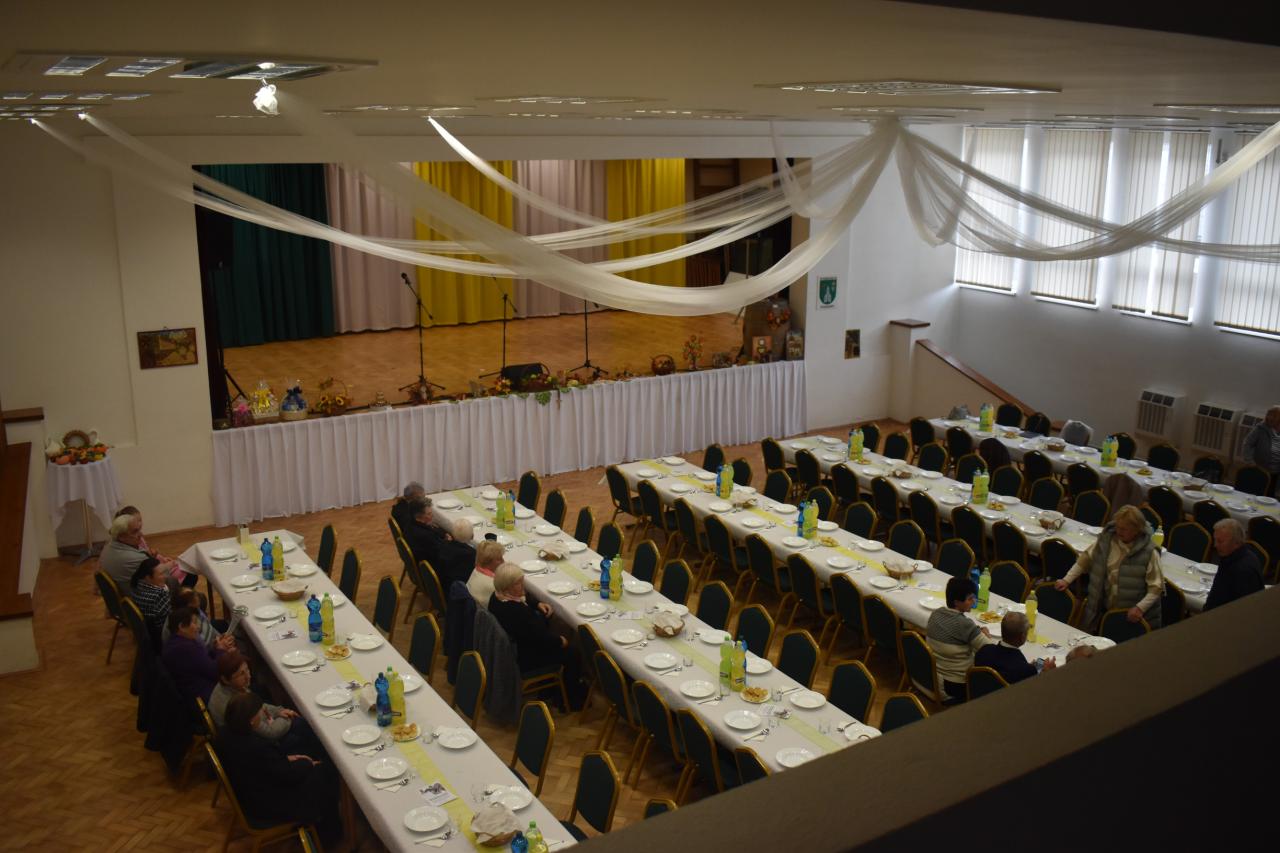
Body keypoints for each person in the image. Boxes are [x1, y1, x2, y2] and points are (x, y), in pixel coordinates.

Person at [215, 693, 341, 842]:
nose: (262, 715)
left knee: (308, 758)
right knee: (325, 771)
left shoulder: (223, 734)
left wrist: (287, 759)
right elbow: (285, 774)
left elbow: (267, 766)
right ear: (252, 720)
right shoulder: (256, 747)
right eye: (259, 713)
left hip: (248, 792)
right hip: (268, 804)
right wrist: (308, 764)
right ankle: (328, 834)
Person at [1055, 504, 1163, 631]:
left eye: (1124, 529)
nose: (1119, 531)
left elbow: (1156, 587)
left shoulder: (1149, 552)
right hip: (1104, 609)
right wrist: (1066, 580)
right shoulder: (1106, 540)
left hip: (1132, 616)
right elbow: (1085, 559)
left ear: (1136, 530)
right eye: (1117, 527)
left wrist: (1140, 608)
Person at [488, 563, 584, 703]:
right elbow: (540, 639)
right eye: (518, 583)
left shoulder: (496, 597)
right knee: (573, 653)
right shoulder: (518, 613)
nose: (523, 586)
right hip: (526, 657)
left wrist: (537, 604)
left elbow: (524, 599)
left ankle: (550, 688)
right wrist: (560, 641)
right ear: (507, 587)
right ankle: (569, 699)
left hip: (520, 645)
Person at [208, 652, 318, 753]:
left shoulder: (229, 686)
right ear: (225, 679)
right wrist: (287, 717)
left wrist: (278, 711)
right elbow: (271, 733)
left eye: (247, 670)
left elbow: (259, 706)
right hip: (260, 748)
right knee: (302, 726)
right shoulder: (236, 706)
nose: (248, 676)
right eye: (241, 674)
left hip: (260, 730)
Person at [926, 576, 994, 702]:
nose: (974, 601)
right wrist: (987, 635)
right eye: (970, 599)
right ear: (957, 602)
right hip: (956, 684)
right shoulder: (964, 624)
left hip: (933, 676)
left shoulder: (936, 613)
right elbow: (990, 650)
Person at [161, 605, 231, 702]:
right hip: (205, 696)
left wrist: (216, 649)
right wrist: (220, 650)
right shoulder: (187, 648)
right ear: (182, 627)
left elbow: (204, 660)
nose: (198, 627)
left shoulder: (176, 642)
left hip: (195, 688)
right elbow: (215, 672)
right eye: (194, 622)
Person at [406, 496, 475, 587]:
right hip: (441, 576)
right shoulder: (424, 536)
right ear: (418, 517)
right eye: (429, 514)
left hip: (431, 561)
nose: (432, 516)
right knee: (471, 556)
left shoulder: (411, 525)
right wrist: (451, 543)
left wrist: (445, 539)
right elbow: (445, 554)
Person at [974, 611, 1056, 685]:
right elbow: (1034, 692)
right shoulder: (1025, 670)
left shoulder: (983, 651)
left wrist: (1026, 667)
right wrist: (1047, 673)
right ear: (1022, 637)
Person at [1204, 518, 1265, 611]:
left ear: (1236, 542)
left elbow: (1242, 608)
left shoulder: (1243, 570)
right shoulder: (1232, 556)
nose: (1215, 545)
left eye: (1220, 541)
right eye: (1215, 540)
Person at [129, 557, 171, 648]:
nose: (165, 576)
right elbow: (171, 614)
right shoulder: (159, 594)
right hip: (162, 632)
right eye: (161, 574)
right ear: (148, 577)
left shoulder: (136, 583)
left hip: (149, 628)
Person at [1241, 405, 1280, 496]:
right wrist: (1249, 461)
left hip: (1276, 471)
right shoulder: (1260, 428)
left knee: (1270, 495)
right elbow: (1248, 444)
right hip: (1260, 469)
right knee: (1256, 493)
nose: (1269, 417)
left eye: (1274, 416)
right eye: (1268, 414)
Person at [467, 540, 505, 609]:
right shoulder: (493, 585)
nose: (503, 561)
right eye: (499, 559)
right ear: (488, 562)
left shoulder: (476, 570)